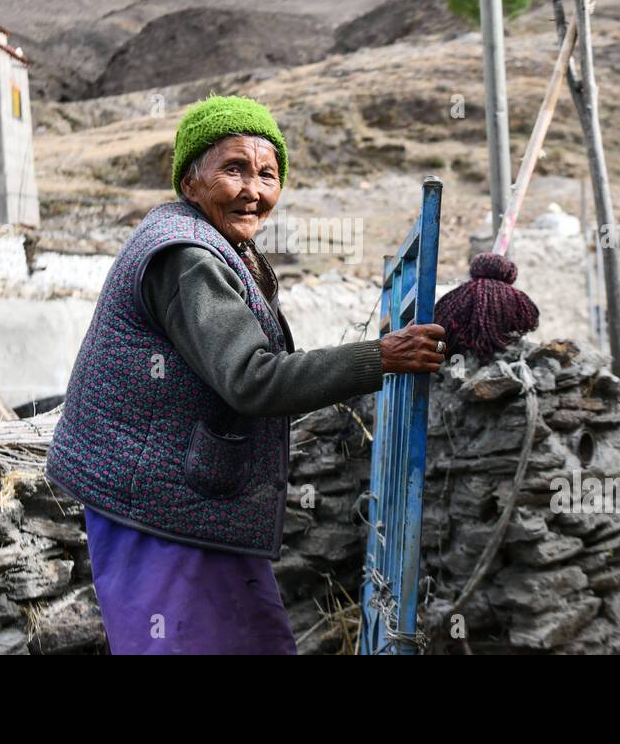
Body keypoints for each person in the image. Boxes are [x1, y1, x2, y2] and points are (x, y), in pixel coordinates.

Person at [45, 93, 445, 654]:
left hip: (191, 502)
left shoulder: (217, 242)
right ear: (190, 180)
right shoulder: (188, 257)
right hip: (158, 511)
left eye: (267, 174)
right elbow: (254, 378)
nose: (253, 191)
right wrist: (380, 357)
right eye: (233, 169)